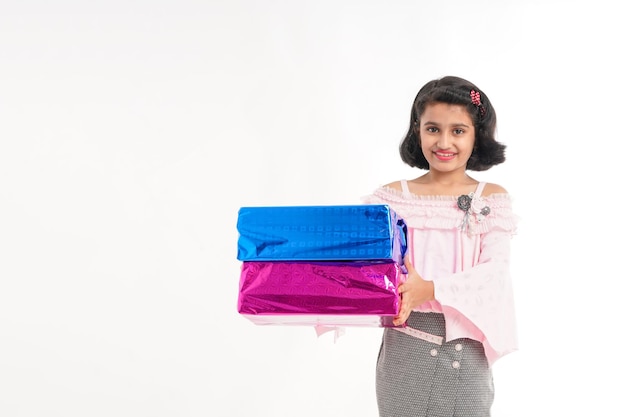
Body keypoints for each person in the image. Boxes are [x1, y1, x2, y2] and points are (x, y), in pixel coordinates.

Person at [362, 75, 518, 417]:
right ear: (417, 130)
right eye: (433, 128)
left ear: (477, 135)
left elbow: (493, 276)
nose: (444, 141)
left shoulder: (490, 199)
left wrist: (429, 288)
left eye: (458, 130)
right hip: (403, 350)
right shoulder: (391, 199)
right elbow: (368, 268)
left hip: (465, 352)